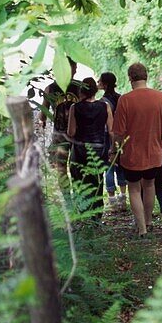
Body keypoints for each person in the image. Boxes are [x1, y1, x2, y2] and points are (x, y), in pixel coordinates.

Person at [112, 62, 162, 237]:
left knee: (134, 189)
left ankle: (142, 229)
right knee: (150, 185)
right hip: (154, 153)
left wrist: (115, 149)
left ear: (130, 78)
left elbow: (118, 132)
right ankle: (148, 221)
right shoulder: (160, 97)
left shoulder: (125, 100)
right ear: (146, 76)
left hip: (131, 155)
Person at [67, 76, 112, 220]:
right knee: (97, 182)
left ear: (82, 91)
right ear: (94, 91)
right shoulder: (105, 106)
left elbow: (71, 132)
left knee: (79, 182)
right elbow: (111, 129)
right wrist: (113, 149)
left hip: (80, 149)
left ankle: (83, 214)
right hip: (99, 149)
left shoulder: (75, 107)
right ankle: (97, 216)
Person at [40, 57, 81, 180]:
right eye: (75, 68)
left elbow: (43, 114)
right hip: (78, 134)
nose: (76, 71)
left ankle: (68, 198)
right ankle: (79, 196)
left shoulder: (50, 89)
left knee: (61, 169)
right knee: (77, 168)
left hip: (59, 134)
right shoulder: (80, 87)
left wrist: (43, 123)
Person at [98, 71, 127, 209]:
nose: (98, 83)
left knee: (108, 167)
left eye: (99, 81)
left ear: (104, 84)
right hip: (122, 135)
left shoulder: (102, 102)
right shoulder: (121, 98)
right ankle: (123, 198)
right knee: (121, 165)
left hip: (107, 136)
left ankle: (112, 201)